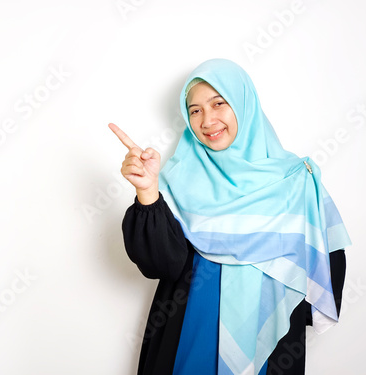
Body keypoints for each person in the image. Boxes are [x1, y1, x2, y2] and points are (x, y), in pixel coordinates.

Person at [109, 58, 350, 375]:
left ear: (244, 104)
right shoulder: (175, 180)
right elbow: (161, 266)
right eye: (195, 110)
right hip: (189, 335)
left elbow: (326, 264)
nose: (207, 120)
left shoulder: (295, 180)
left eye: (218, 103)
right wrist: (147, 192)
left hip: (268, 347)